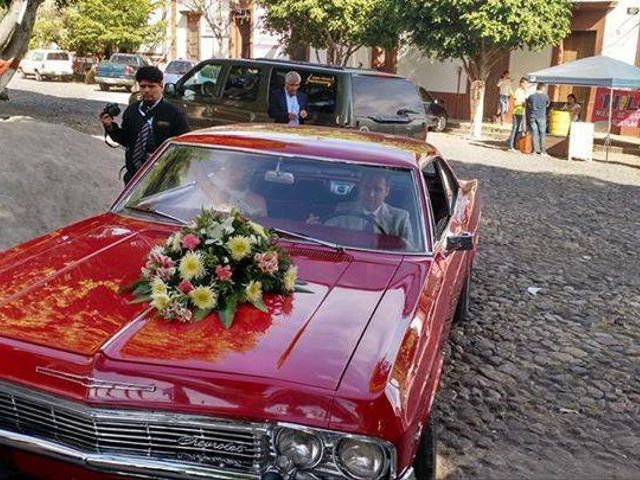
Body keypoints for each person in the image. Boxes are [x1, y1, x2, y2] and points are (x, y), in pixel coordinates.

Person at [100, 66, 190, 185]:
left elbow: (184, 147)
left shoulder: (174, 114)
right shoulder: (132, 111)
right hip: (134, 178)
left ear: (161, 86)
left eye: (151, 86)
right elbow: (126, 139)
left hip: (162, 179)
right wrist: (110, 126)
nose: (146, 90)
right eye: (143, 86)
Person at [309, 173, 413, 243]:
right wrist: (315, 229)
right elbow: (327, 237)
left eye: (377, 189)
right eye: (367, 188)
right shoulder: (343, 210)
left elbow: (409, 250)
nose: (371, 194)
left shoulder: (400, 218)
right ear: (360, 188)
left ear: (387, 191)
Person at [194, 160, 267, 217]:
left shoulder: (258, 200)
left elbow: (264, 226)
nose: (233, 172)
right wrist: (199, 160)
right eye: (231, 167)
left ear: (247, 173)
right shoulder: (219, 194)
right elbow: (203, 181)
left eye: (239, 169)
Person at [526, 83, 550, 156]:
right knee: (542, 133)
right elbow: (547, 104)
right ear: (543, 88)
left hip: (532, 116)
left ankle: (534, 151)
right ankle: (543, 151)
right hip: (541, 116)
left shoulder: (531, 96)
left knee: (534, 133)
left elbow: (528, 105)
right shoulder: (545, 96)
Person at [507, 77, 528, 153]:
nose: (526, 85)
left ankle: (513, 144)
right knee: (515, 128)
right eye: (525, 84)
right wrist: (523, 103)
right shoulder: (518, 91)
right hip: (517, 112)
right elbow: (516, 103)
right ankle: (510, 146)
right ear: (521, 83)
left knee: (517, 129)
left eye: (527, 84)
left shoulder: (523, 92)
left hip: (521, 112)